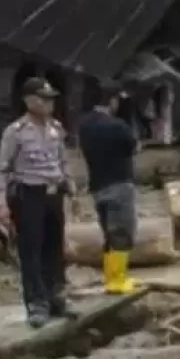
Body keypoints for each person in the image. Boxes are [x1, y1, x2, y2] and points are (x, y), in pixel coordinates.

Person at [0, 78, 75, 328]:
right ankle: (36, 304)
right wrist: (1, 203)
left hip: (54, 194)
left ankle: (55, 298)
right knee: (31, 251)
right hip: (29, 194)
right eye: (42, 98)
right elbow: (2, 170)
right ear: (28, 100)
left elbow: (62, 161)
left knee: (54, 248)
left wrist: (71, 188)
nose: (48, 103)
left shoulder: (56, 128)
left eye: (50, 98)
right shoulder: (15, 132)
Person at [78, 83, 140, 295]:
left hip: (98, 187)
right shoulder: (118, 126)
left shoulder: (84, 125)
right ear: (112, 100)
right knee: (122, 233)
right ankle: (118, 280)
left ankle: (109, 277)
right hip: (120, 185)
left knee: (108, 234)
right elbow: (134, 146)